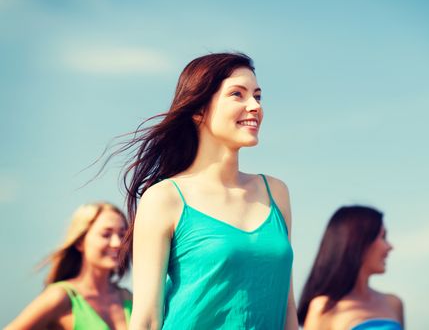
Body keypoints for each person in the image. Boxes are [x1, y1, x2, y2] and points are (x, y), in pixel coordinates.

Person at [116, 53, 296, 329]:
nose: (254, 106)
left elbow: (287, 311)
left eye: (257, 97)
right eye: (238, 94)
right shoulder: (165, 198)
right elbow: (147, 320)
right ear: (199, 110)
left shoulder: (276, 193)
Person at [6, 202, 132, 330]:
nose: (117, 243)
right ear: (79, 242)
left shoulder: (128, 298)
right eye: (106, 235)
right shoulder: (61, 297)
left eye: (122, 235)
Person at [297, 206, 404, 330]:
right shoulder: (324, 308)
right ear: (359, 240)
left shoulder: (394, 304)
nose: (389, 247)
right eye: (383, 237)